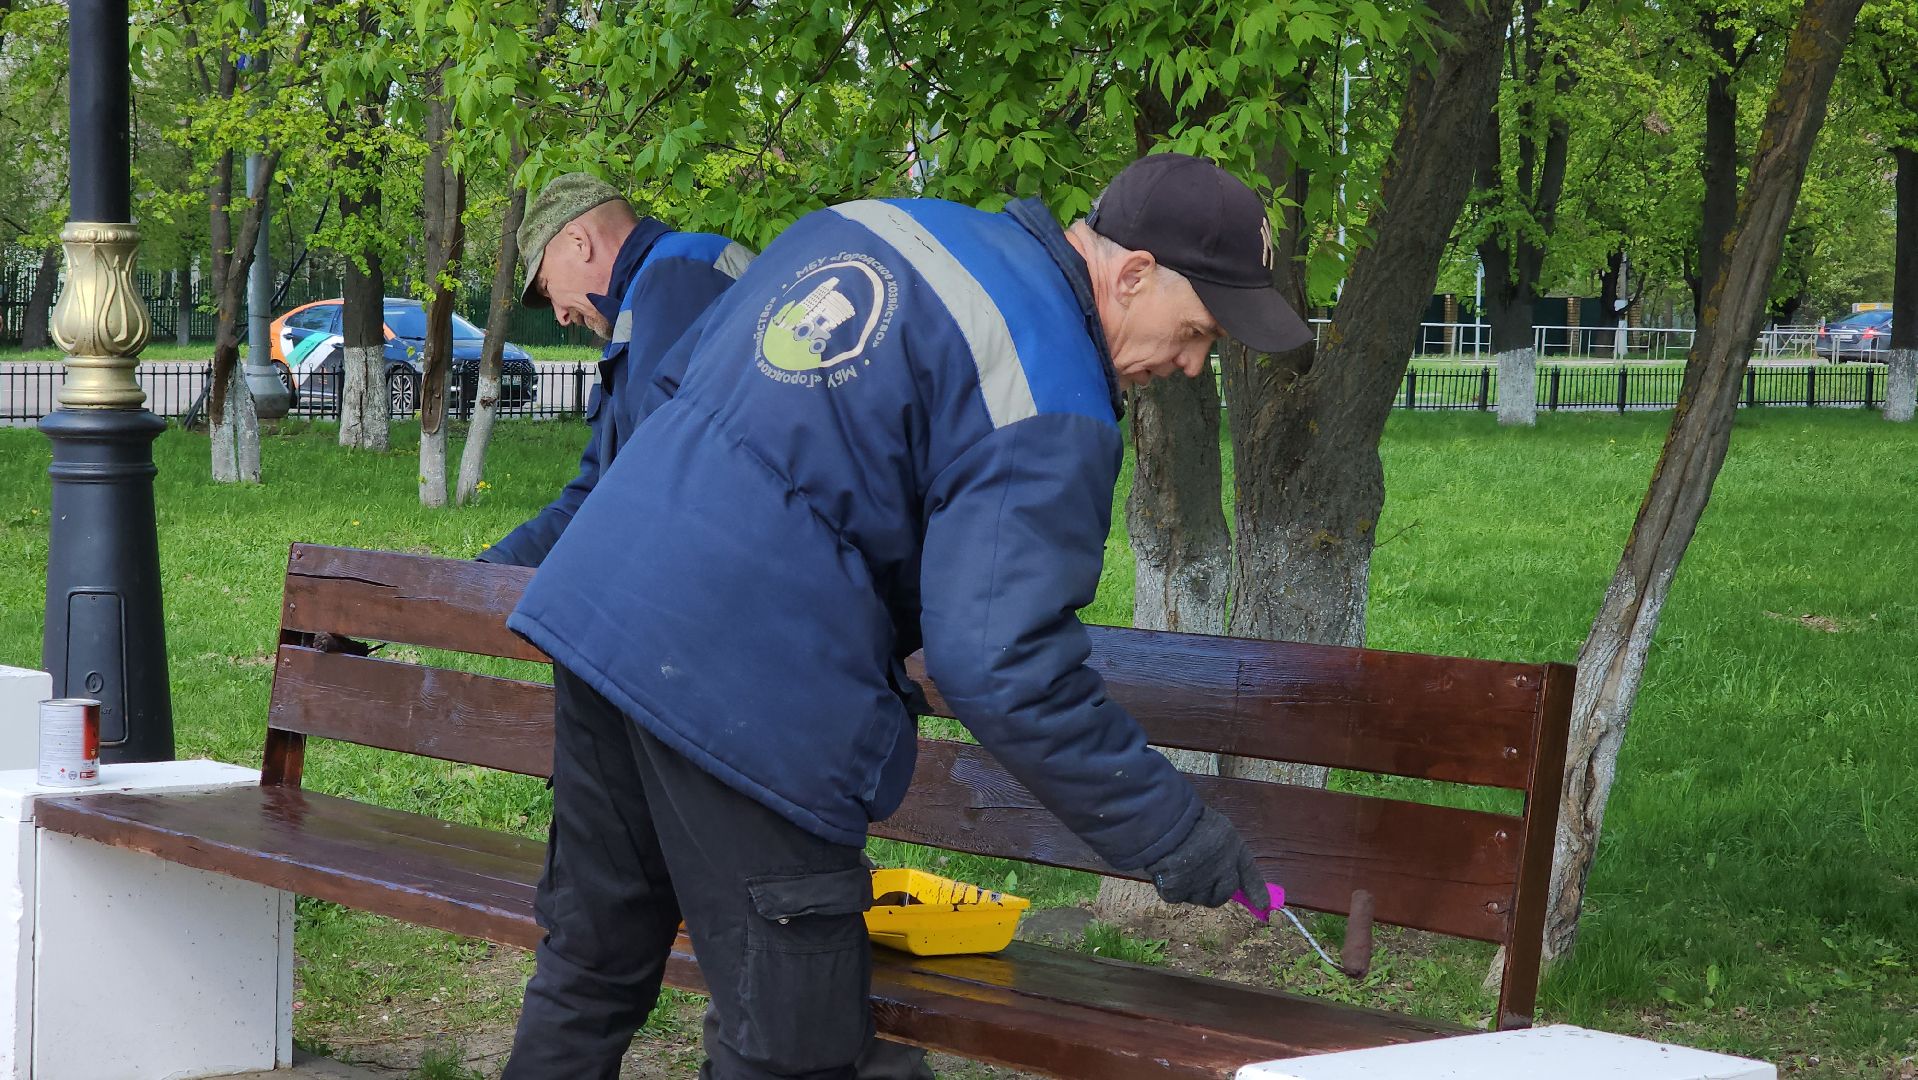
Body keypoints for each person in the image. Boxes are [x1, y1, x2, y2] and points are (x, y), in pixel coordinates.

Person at [500, 153, 1313, 1079]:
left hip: (603, 611)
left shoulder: (881, 224)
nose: (1193, 364)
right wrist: (1175, 834)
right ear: (1130, 275)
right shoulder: (1048, 390)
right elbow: (1002, 665)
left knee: (590, 968)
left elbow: (687, 397)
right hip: (750, 686)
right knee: (797, 1052)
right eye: (1199, 329)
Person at [477, 173, 754, 567]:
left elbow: (671, 485)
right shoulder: (642, 306)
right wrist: (493, 569)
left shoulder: (678, 274)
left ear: (579, 241)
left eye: (547, 285)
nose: (560, 315)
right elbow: (596, 495)